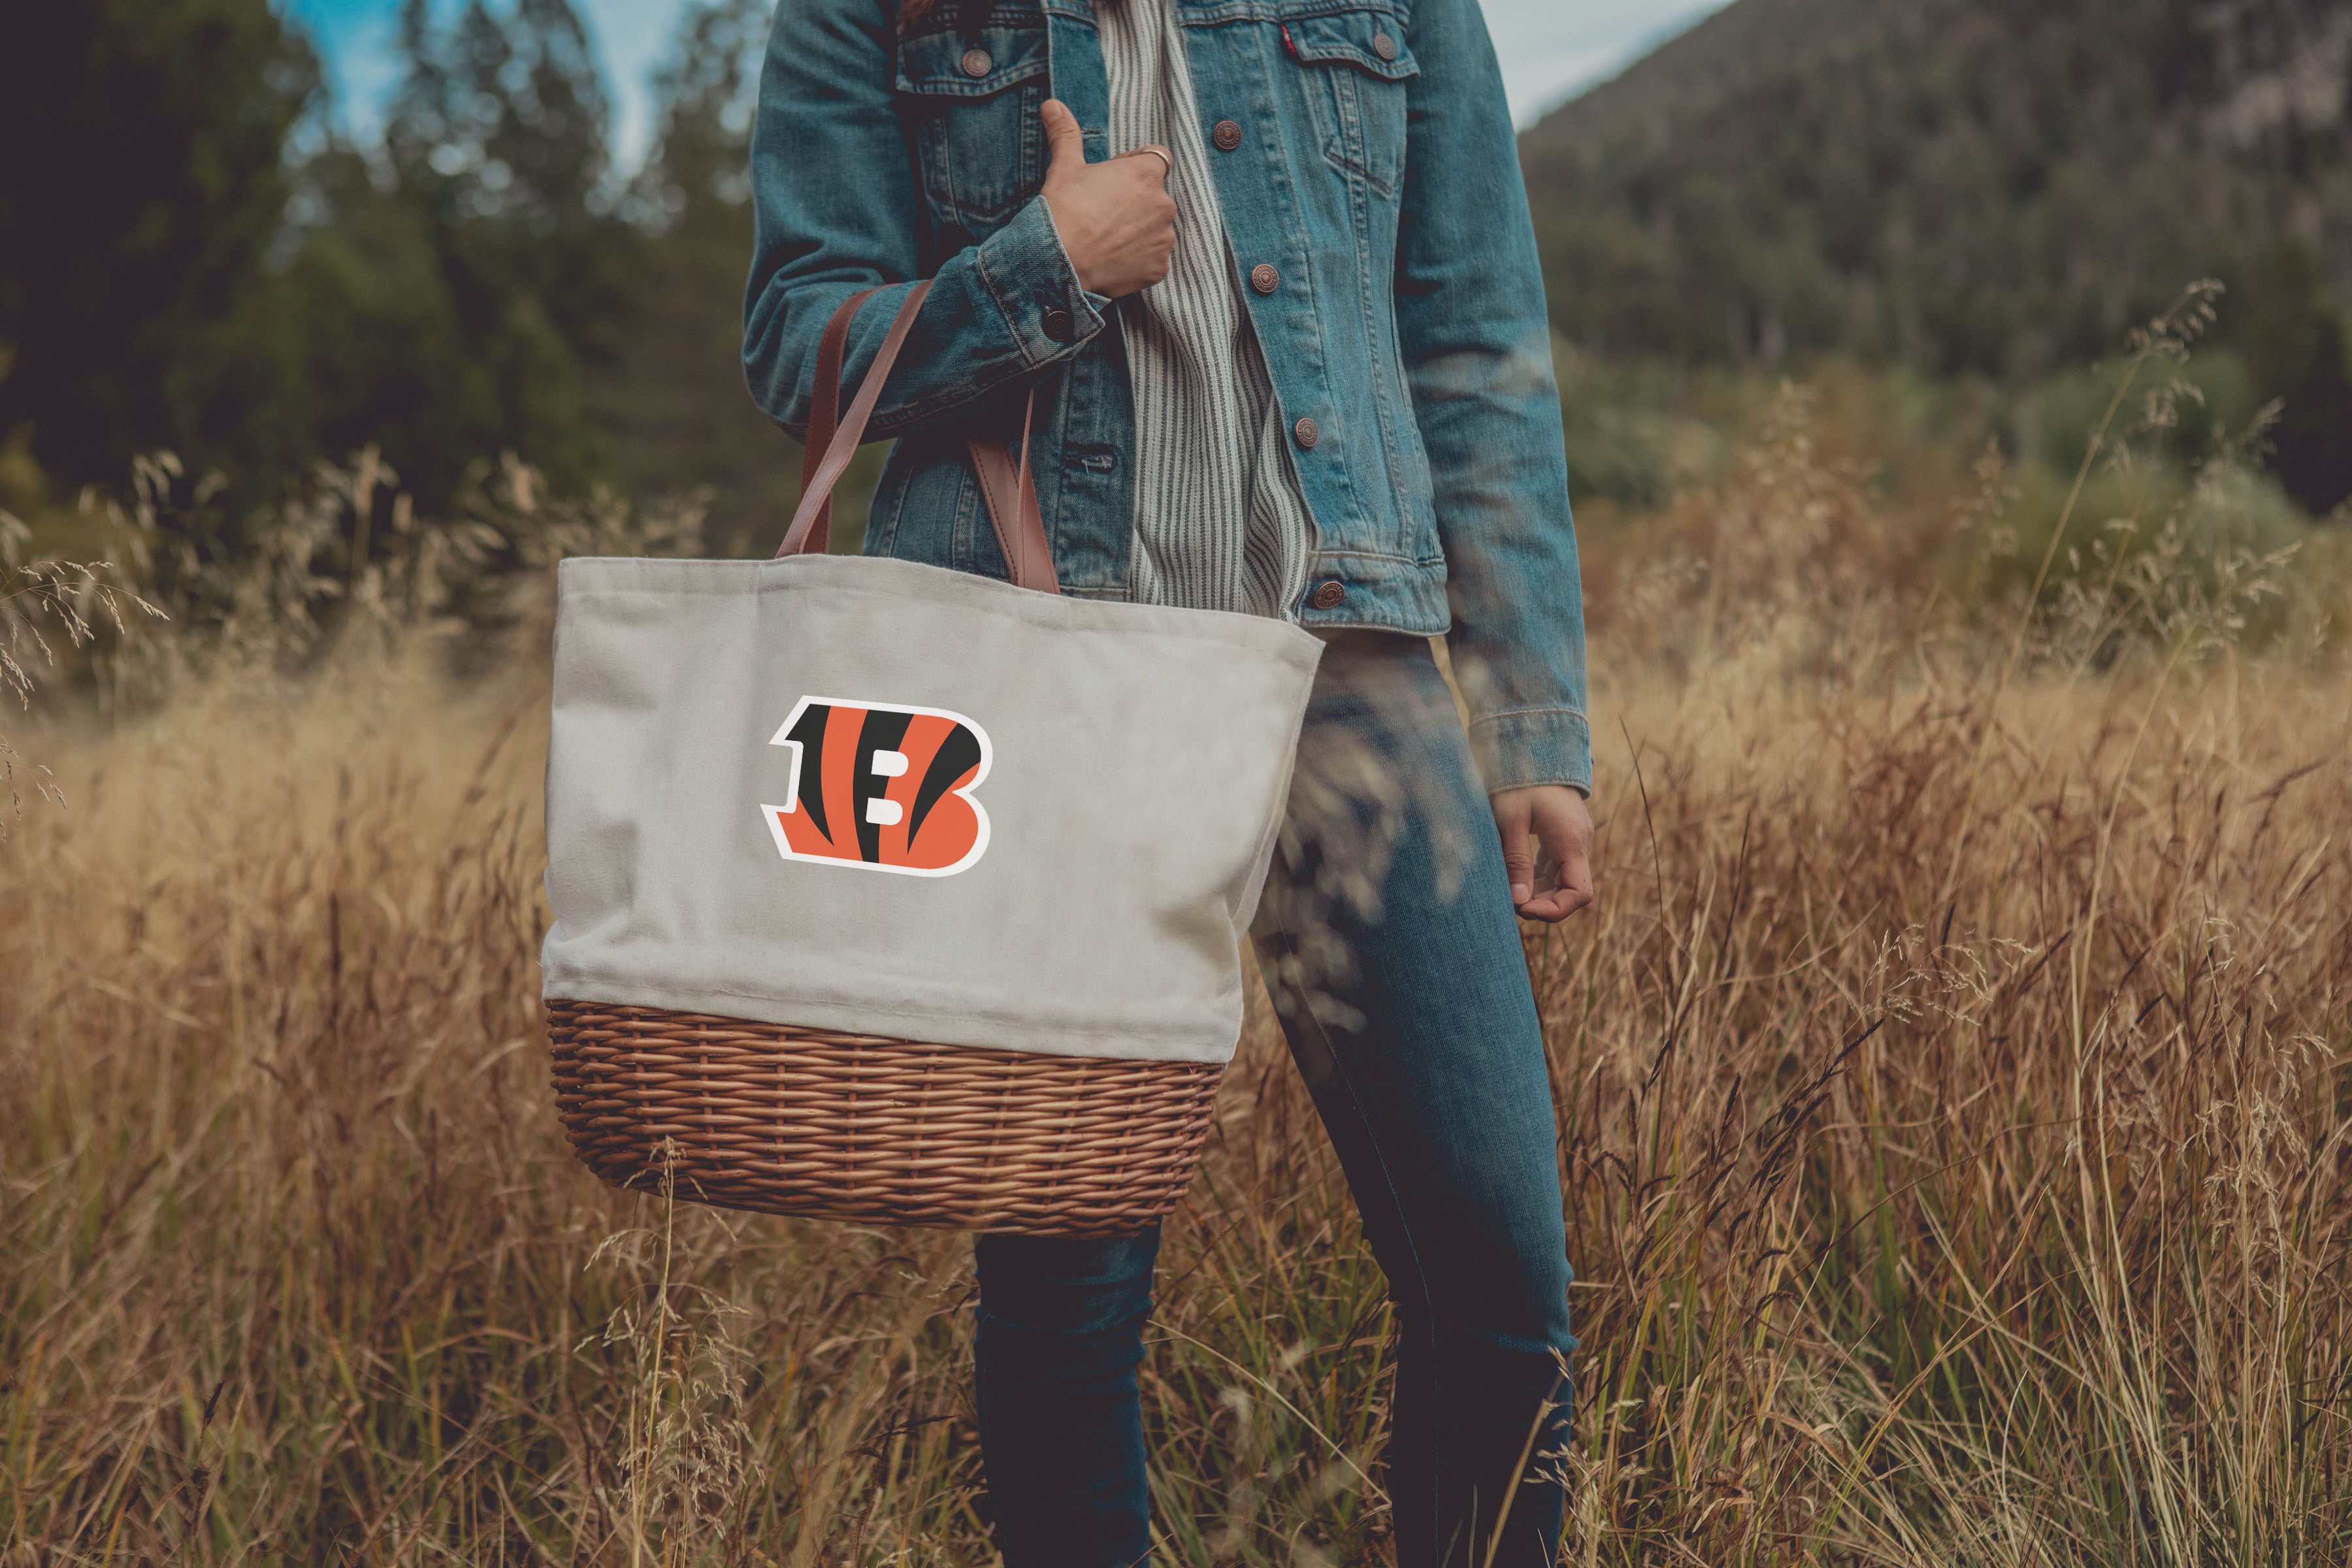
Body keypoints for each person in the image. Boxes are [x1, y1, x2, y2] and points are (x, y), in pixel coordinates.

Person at [745, 0, 1594, 1561]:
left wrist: (1533, 715)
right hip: (1049, 688)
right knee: (1069, 1301)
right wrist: (1038, 271)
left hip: (1353, 677)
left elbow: (1473, 338)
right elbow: (798, 337)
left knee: (1500, 1281)